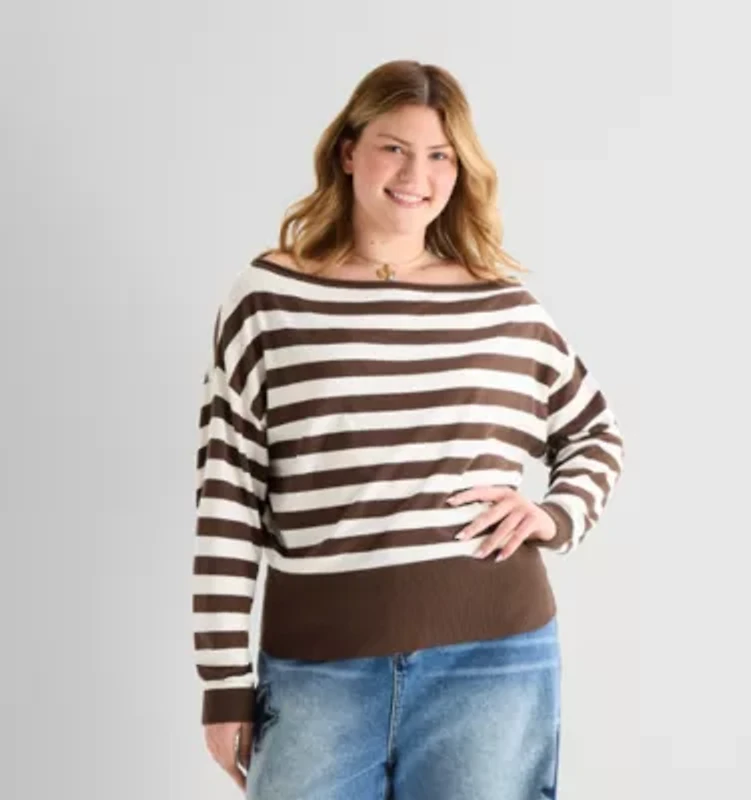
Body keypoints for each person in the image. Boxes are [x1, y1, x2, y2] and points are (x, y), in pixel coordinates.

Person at [192, 59, 624, 799]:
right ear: (348, 152)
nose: (414, 175)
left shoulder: (502, 305)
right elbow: (228, 498)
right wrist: (223, 682)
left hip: (492, 661)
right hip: (318, 668)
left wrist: (553, 516)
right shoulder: (269, 297)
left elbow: (595, 432)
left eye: (439, 156)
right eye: (393, 147)